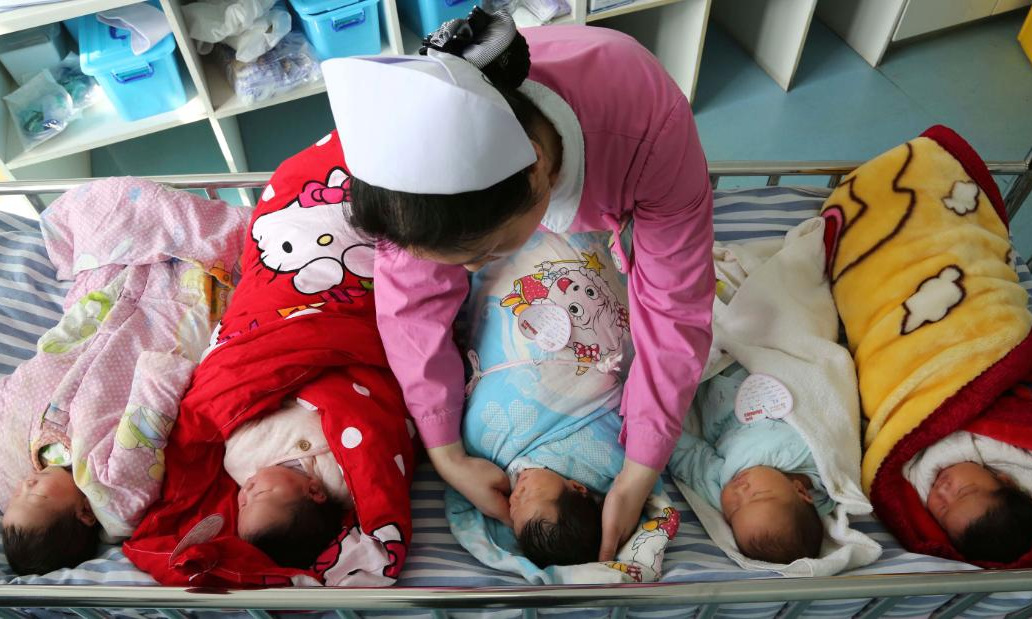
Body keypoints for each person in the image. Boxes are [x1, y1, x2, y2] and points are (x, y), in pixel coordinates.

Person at [322, 8, 714, 560]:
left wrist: (640, 467)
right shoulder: (413, 178)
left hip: (616, 124)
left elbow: (674, 305)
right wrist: (446, 452)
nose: (467, 273)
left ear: (537, 173)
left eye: (483, 255)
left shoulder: (647, 128)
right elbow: (410, 303)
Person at [668, 365, 830, 564]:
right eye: (757, 495)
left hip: (725, 384)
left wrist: (654, 428)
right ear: (800, 491)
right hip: (781, 376)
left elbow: (690, 457)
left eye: (734, 510)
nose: (740, 491)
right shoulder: (823, 472)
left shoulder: (720, 485)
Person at [226, 400, 352, 569]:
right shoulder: (342, 483)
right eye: (259, 494)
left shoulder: (241, 460)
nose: (245, 491)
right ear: (314, 491)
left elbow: (236, 413)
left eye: (242, 505)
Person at [903, 431, 1032, 564]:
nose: (942, 490)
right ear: (1005, 481)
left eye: (942, 509)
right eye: (964, 491)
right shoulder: (1001, 451)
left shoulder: (917, 486)